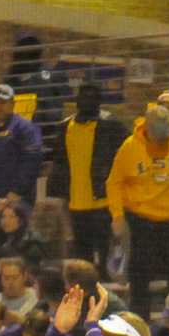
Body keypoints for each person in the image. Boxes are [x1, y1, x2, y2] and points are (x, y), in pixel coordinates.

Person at [108, 101, 169, 317]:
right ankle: (140, 329)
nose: (163, 142)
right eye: (159, 138)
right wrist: (117, 216)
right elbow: (114, 183)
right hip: (141, 220)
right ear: (147, 129)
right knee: (139, 280)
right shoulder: (129, 147)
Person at [53, 80, 131, 271]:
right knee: (82, 255)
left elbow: (129, 152)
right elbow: (60, 162)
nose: (87, 101)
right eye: (83, 97)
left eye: (92, 97)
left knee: (106, 251)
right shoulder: (64, 127)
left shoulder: (111, 126)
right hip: (75, 203)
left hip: (103, 201)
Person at [0, 82, 45, 216]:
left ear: (12, 104)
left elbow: (33, 161)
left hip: (15, 203)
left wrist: (17, 192)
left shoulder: (25, 128)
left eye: (3, 102)